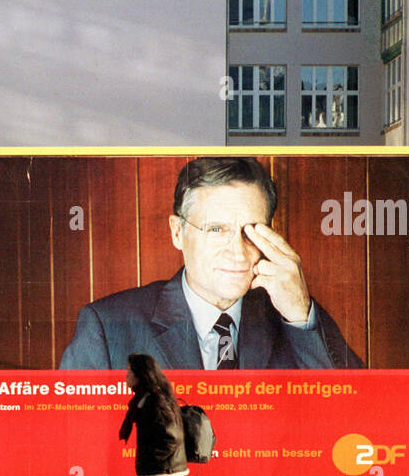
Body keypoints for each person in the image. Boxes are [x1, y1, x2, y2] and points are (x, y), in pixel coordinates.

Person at [60, 156, 362, 370]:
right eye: (217, 230)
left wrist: (299, 315)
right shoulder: (106, 326)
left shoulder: (297, 319)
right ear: (178, 232)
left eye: (251, 231)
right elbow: (75, 448)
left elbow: (357, 420)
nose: (238, 252)